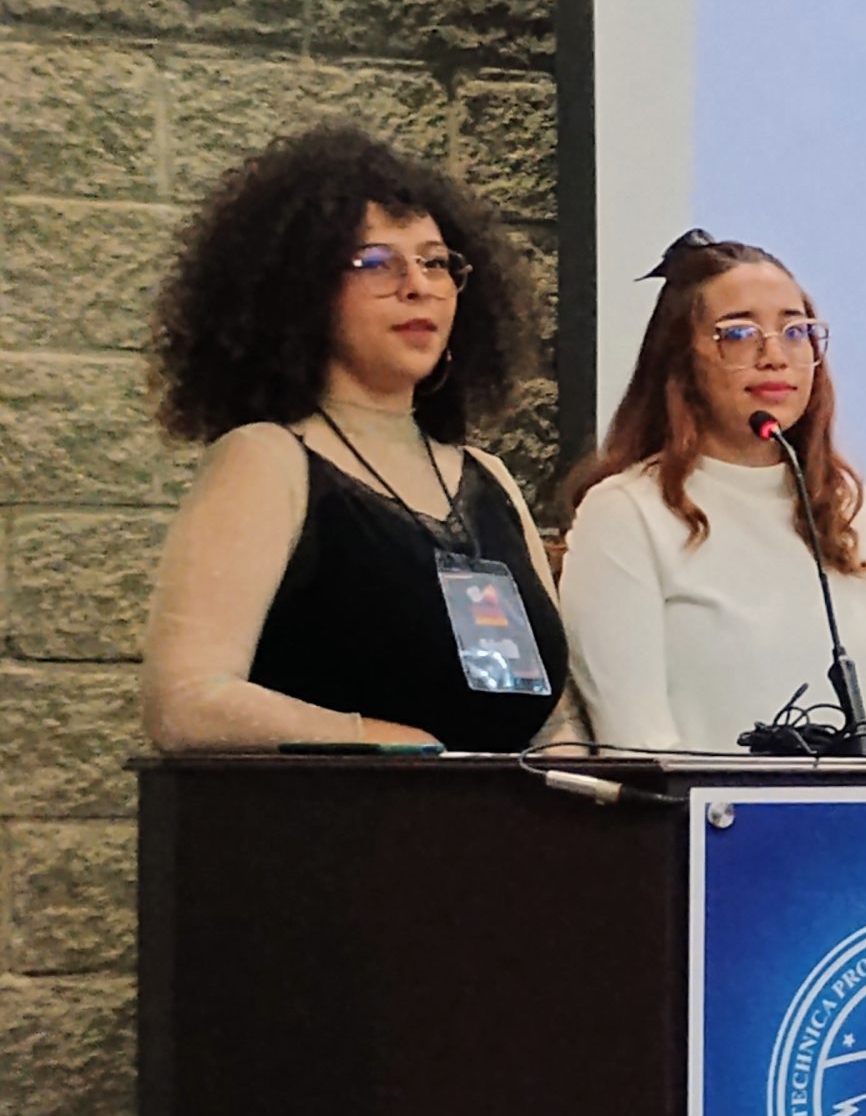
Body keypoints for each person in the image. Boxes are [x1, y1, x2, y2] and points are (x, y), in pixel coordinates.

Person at [142, 124, 567, 753]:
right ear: (302, 292)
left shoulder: (488, 477)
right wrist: (380, 741)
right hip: (335, 836)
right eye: (375, 262)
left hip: (507, 839)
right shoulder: (267, 460)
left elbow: (552, 717)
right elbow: (185, 703)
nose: (417, 285)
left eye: (435, 262)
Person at [558, 230, 866, 753]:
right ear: (681, 360)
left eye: (795, 331)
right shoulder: (625, 514)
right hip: (699, 829)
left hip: (859, 831)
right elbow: (638, 746)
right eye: (738, 334)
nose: (774, 355)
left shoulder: (863, 515)